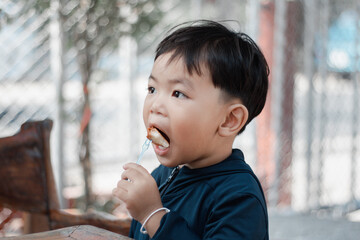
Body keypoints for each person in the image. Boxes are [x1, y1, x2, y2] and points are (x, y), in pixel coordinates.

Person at [112, 20, 269, 240]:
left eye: (178, 93)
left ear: (229, 120)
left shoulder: (239, 197)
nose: (155, 106)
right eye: (152, 89)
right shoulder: (162, 176)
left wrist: (153, 214)